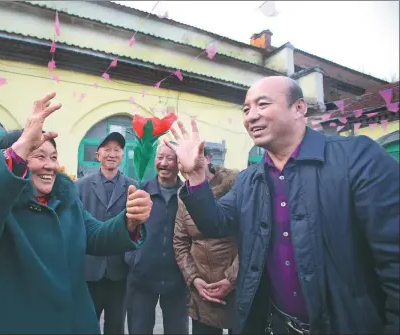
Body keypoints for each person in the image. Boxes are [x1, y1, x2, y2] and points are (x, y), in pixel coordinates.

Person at [165, 76, 399, 334]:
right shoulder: (249, 179)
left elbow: (393, 261)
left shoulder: (356, 159)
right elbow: (216, 224)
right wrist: (196, 177)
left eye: (262, 104)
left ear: (299, 108)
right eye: (246, 109)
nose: (251, 116)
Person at [0, 92, 153, 334]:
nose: (49, 165)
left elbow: (96, 236)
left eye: (53, 157)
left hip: (69, 321)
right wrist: (20, 148)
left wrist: (129, 222)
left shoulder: (66, 200)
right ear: (16, 158)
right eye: (38, 155)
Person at [173, 148, 239, 335]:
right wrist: (194, 279)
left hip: (238, 284)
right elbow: (180, 242)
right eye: (181, 161)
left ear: (208, 159)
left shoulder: (237, 186)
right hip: (203, 290)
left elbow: (252, 237)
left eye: (192, 159)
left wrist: (232, 278)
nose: (186, 165)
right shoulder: (183, 194)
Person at [75, 131, 136, 334]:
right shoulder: (80, 187)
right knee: (86, 324)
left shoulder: (132, 187)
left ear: (122, 155)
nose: (112, 154)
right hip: (89, 270)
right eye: (107, 149)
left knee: (116, 326)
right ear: (97, 155)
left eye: (117, 150)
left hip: (119, 271)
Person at [125, 142, 189, 335]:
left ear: (179, 163)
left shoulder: (187, 194)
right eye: (160, 157)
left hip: (178, 280)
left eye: (170, 158)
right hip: (142, 277)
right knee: (139, 330)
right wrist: (133, 259)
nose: (164, 163)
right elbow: (126, 228)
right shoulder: (141, 192)